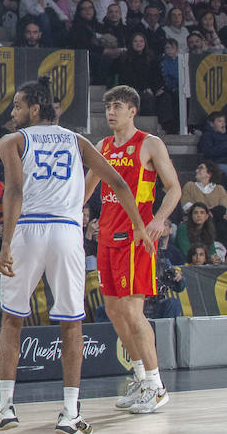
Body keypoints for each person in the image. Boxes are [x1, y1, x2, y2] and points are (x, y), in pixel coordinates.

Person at [0, 78, 151, 434]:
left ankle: (5, 409)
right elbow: (120, 184)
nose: (12, 112)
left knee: (11, 320)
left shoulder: (13, 140)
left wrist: (4, 245)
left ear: (34, 108)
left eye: (17, 106)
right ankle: (70, 413)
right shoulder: (78, 140)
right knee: (71, 323)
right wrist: (139, 225)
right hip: (66, 232)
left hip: (28, 231)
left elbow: (14, 191)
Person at [87, 85, 180, 414]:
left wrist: (159, 219)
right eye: (108, 105)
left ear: (132, 111)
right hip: (107, 238)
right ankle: (141, 378)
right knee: (113, 312)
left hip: (136, 239)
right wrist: (78, 216)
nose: (111, 111)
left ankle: (157, 386)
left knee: (132, 311)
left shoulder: (149, 144)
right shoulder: (103, 146)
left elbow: (174, 189)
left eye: (118, 105)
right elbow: (89, 188)